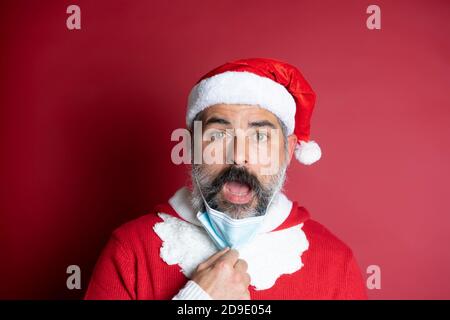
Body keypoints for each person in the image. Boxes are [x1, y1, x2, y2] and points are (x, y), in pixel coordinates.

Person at [85, 58, 367, 300]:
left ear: (288, 150)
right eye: (218, 135)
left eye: (260, 136)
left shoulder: (334, 262)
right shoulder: (130, 250)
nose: (238, 157)